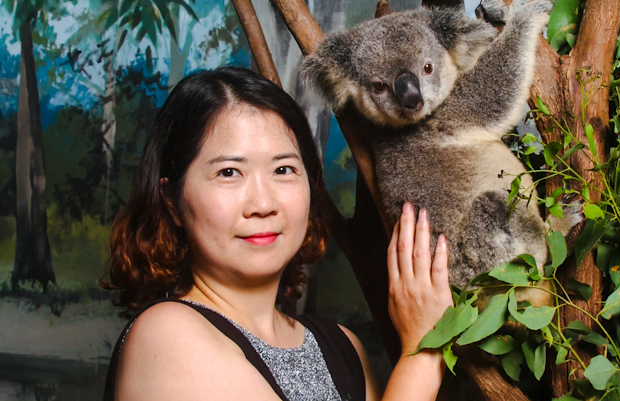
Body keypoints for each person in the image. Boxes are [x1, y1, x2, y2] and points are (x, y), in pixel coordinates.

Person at [102, 66, 453, 401]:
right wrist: (424, 351)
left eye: (283, 169)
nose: (263, 203)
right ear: (173, 201)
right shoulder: (167, 336)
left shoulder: (342, 346)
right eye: (228, 173)